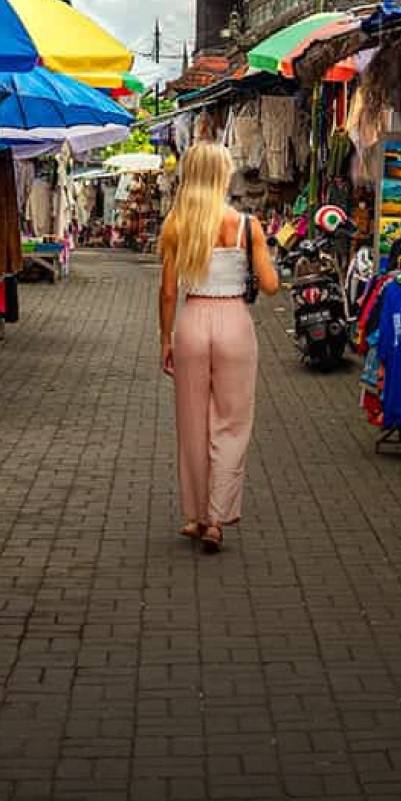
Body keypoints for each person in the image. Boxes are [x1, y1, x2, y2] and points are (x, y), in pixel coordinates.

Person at [159, 142, 279, 554]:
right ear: (222, 176)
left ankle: (195, 515)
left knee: (192, 422)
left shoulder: (177, 223)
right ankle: (216, 518)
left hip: (192, 321)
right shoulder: (247, 225)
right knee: (231, 423)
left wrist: (165, 338)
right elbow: (270, 285)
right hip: (234, 324)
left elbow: (168, 292)